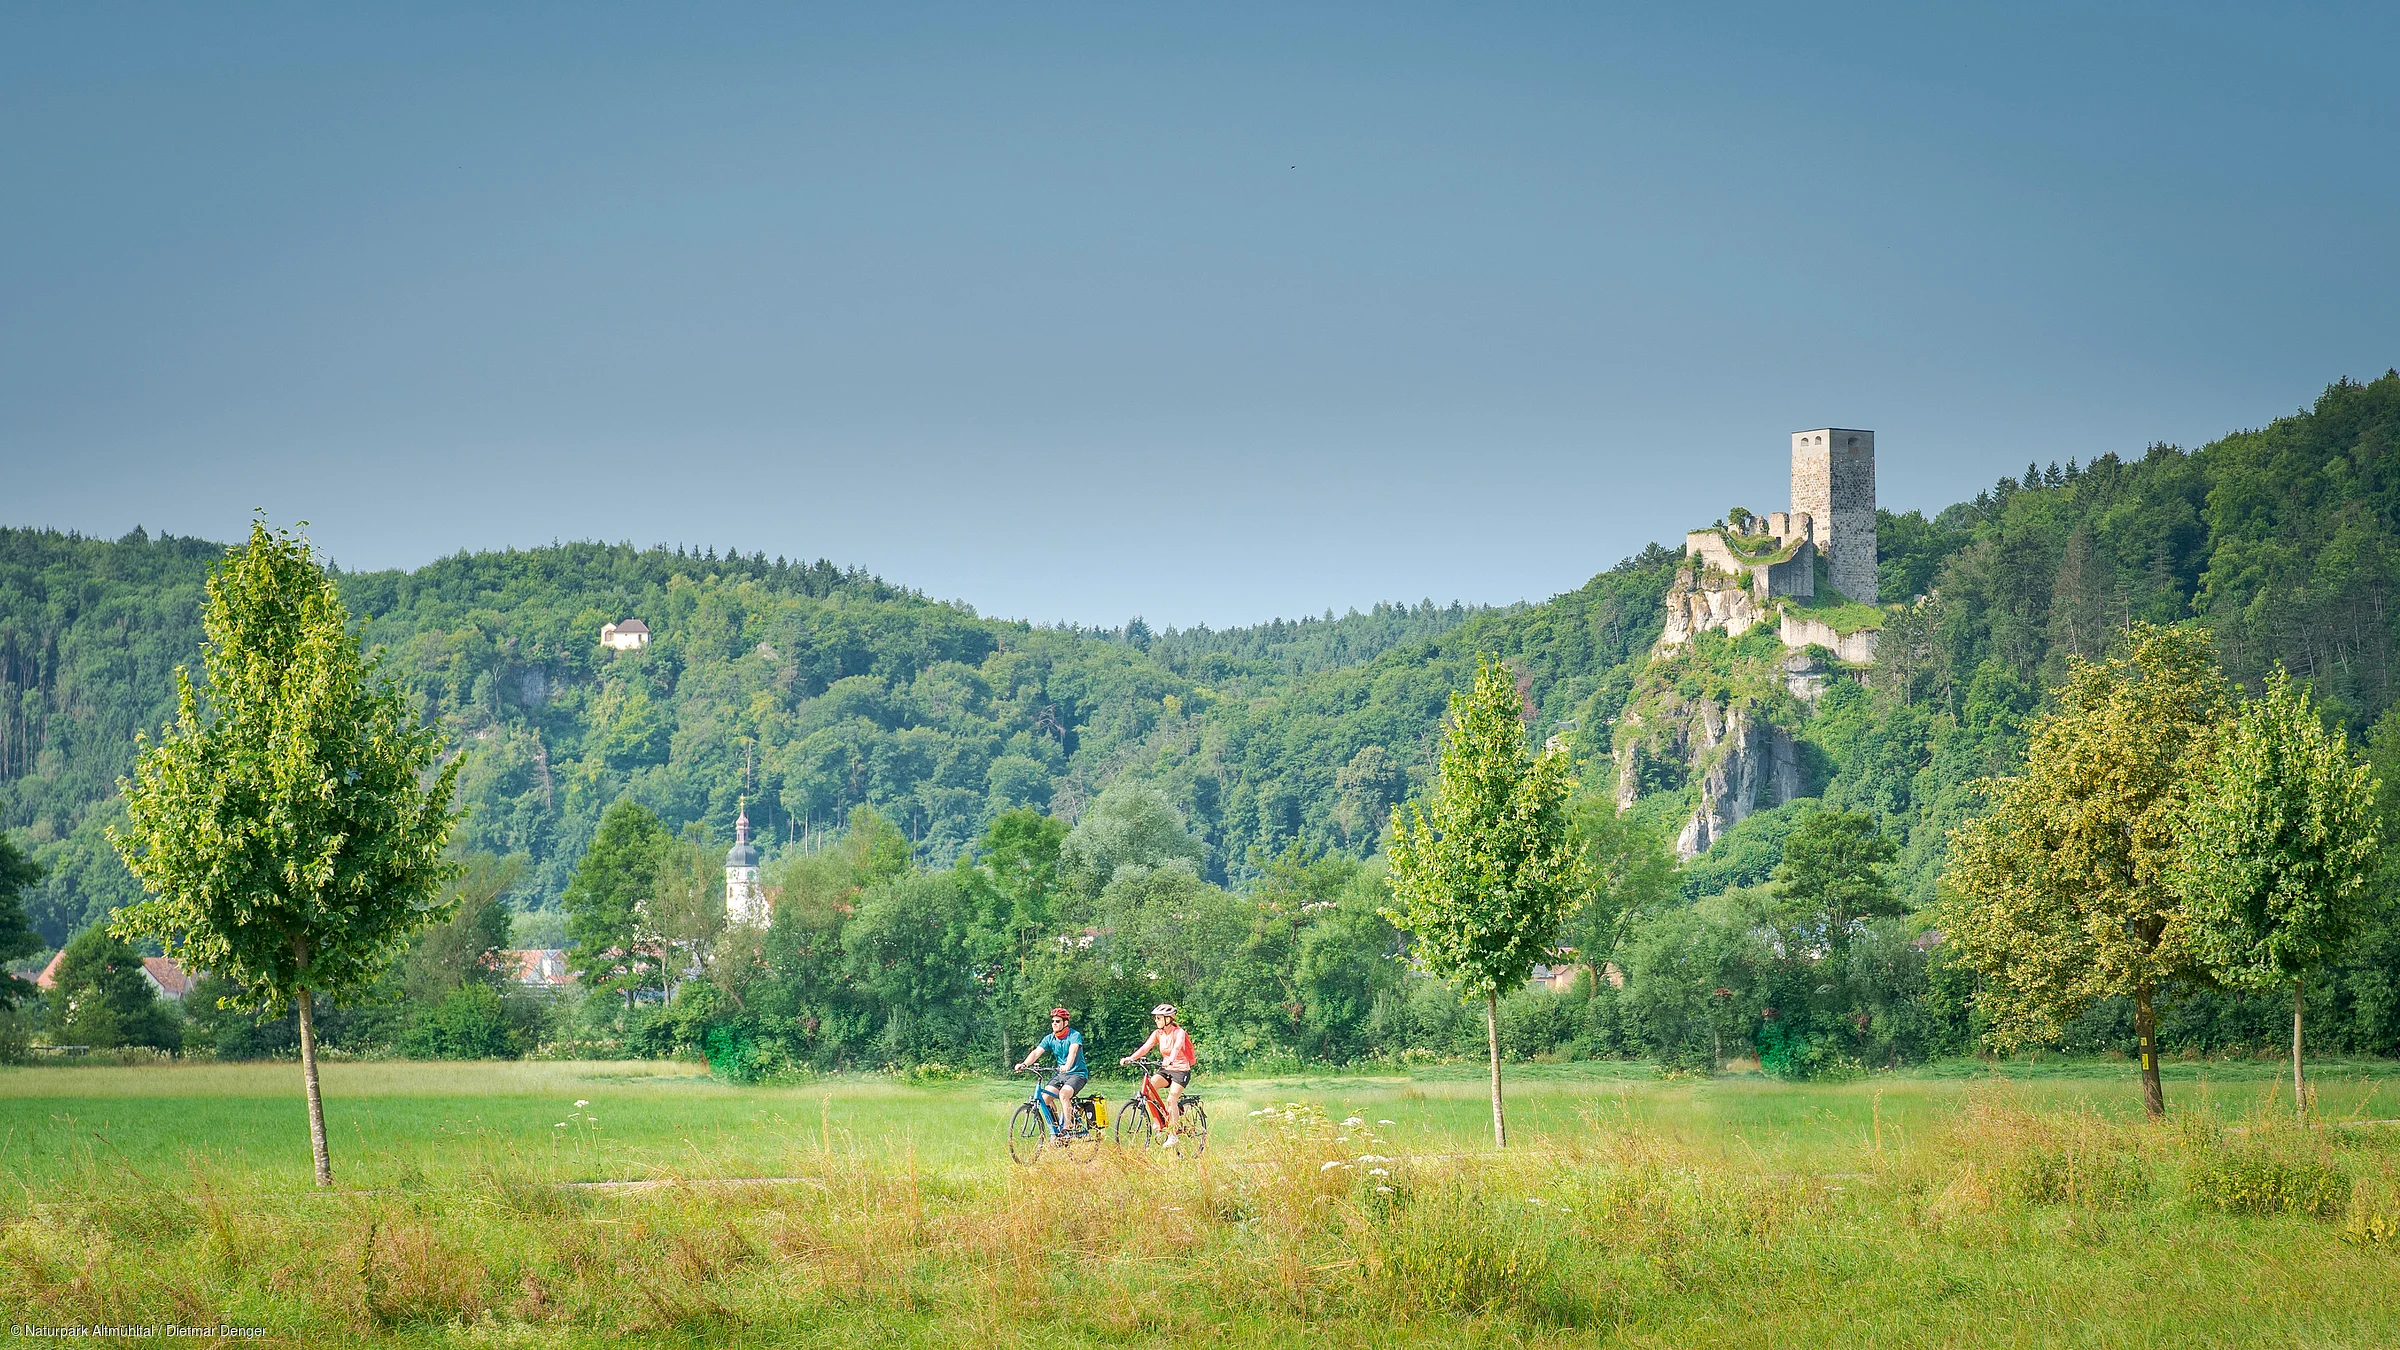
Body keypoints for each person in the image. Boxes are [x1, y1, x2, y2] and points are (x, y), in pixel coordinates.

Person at [1120, 1003, 1196, 1146]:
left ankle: (1173, 1136)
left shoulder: (1179, 1032)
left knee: (1171, 1099)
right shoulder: (1158, 1033)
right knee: (1149, 1089)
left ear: (1168, 1019)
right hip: (1166, 1069)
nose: (1156, 1021)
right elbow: (1145, 1048)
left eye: (1159, 1018)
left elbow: (1177, 1046)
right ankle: (1157, 1122)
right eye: (1156, 1018)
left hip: (1180, 1070)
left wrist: (1171, 1059)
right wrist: (1131, 1058)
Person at [1016, 1006, 1089, 1136]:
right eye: (1053, 1021)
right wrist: (1024, 1064)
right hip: (1061, 1075)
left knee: (1064, 1094)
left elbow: (1073, 1051)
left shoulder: (1074, 1035)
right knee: (1045, 1098)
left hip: (1078, 1074)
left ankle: (1067, 1127)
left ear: (1065, 1023)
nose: (1054, 1024)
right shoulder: (1050, 1038)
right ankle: (1056, 1129)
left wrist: (1067, 1065)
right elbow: (1036, 1052)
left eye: (1057, 1021)